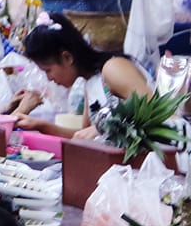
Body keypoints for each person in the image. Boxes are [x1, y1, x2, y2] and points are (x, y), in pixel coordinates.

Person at [14, 14, 151, 139]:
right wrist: (40, 125)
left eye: (48, 70)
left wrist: (101, 128)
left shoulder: (113, 68)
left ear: (67, 57)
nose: (49, 78)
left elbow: (152, 108)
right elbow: (83, 136)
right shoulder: (90, 84)